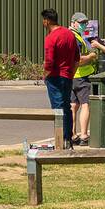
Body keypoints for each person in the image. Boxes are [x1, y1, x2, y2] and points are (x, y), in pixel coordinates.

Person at [41, 8, 78, 149]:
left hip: (55, 77)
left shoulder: (50, 38)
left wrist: (44, 76)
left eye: (43, 21)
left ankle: (60, 140)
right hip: (67, 76)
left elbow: (49, 62)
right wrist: (71, 74)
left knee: (57, 109)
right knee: (67, 107)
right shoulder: (69, 34)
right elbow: (76, 58)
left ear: (47, 20)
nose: (43, 23)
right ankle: (68, 138)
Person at [69, 12, 97, 146]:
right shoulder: (75, 38)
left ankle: (73, 134)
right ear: (73, 23)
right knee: (86, 104)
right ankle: (84, 135)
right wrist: (92, 56)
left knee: (73, 105)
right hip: (81, 76)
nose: (84, 25)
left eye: (85, 23)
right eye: (81, 23)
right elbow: (78, 60)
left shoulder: (71, 35)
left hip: (72, 75)